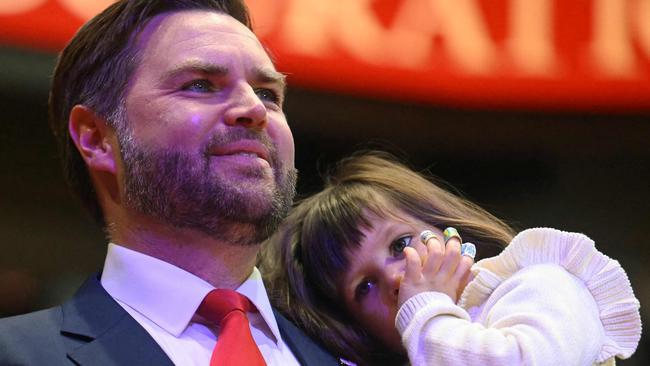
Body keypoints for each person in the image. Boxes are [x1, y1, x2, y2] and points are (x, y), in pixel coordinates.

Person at [0, 1, 339, 365]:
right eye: (200, 85)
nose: (254, 109)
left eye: (268, 94)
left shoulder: (361, 354)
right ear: (97, 138)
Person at [259, 151, 642, 366]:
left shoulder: (542, 281)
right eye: (365, 286)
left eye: (399, 244)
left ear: (447, 227)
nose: (396, 278)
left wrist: (427, 308)